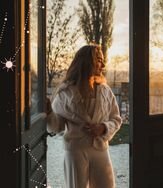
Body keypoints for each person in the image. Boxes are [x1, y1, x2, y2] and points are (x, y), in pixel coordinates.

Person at [46, 44, 122, 188]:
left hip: (100, 150)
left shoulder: (105, 91)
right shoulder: (65, 94)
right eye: (99, 59)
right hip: (76, 151)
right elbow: (57, 127)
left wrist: (103, 128)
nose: (103, 64)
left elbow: (116, 119)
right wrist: (49, 113)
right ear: (87, 61)